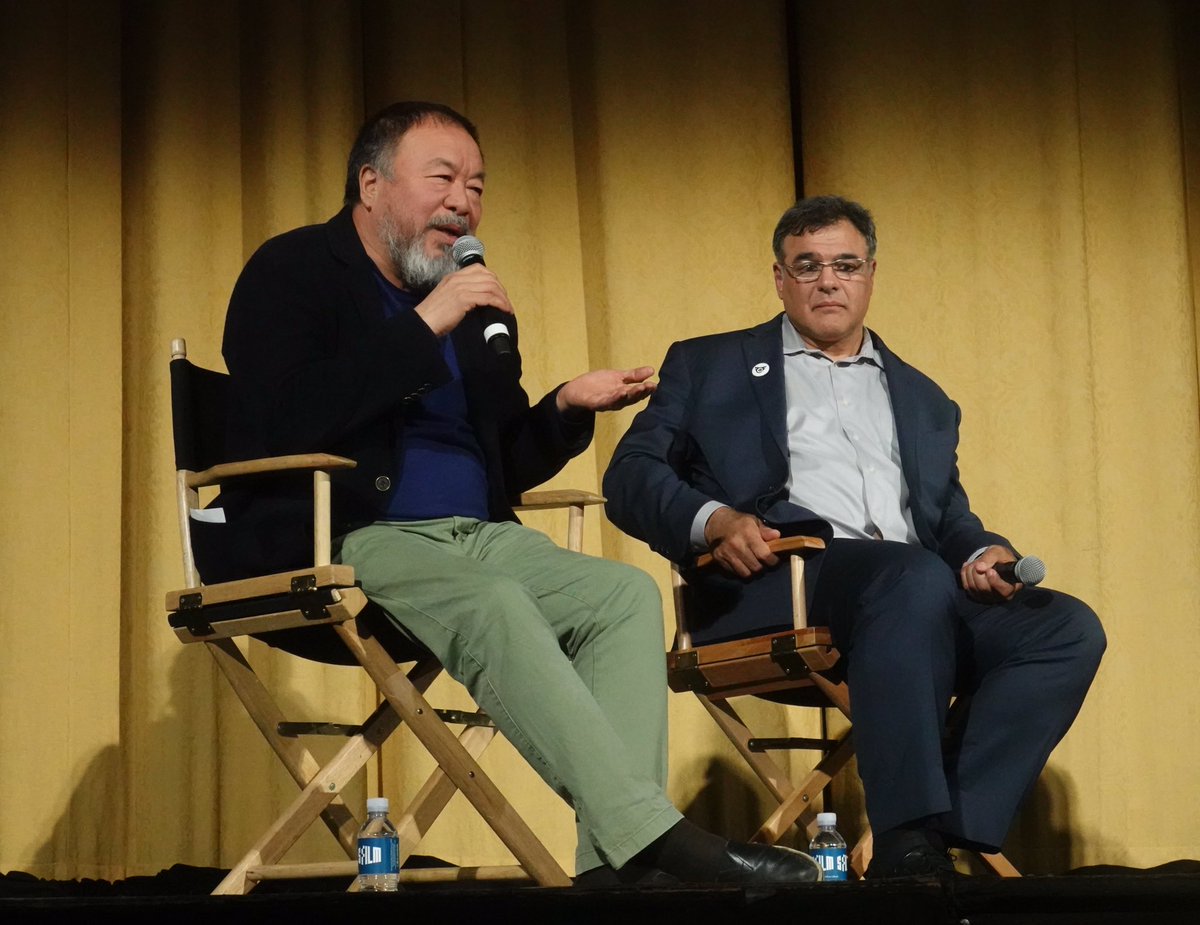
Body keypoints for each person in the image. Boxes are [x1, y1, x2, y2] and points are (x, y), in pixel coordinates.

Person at [208, 101, 821, 887]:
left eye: (478, 184)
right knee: (495, 600)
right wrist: (426, 321)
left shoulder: (469, 302)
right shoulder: (292, 272)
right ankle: (654, 841)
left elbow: (499, 459)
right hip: (349, 530)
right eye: (443, 178)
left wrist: (564, 406)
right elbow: (278, 422)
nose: (464, 200)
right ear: (371, 183)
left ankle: (611, 869)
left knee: (623, 596)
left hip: (478, 532)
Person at [603, 195, 1106, 878]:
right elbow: (630, 475)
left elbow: (947, 519)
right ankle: (905, 839)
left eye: (844, 264)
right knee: (909, 576)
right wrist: (714, 520)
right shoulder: (708, 365)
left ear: (871, 273)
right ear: (779, 278)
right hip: (780, 579)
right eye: (806, 266)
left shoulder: (925, 399)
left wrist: (982, 550)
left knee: (1065, 627)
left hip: (912, 596)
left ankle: (949, 821)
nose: (827, 280)